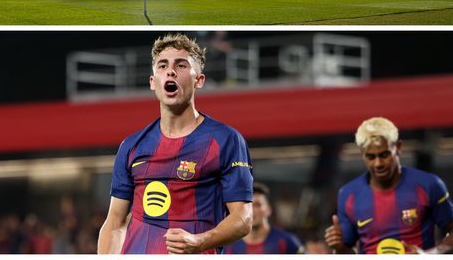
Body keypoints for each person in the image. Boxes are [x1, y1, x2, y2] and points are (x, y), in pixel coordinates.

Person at [97, 33, 254, 254]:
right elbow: (115, 223)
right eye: (162, 66)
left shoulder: (225, 140)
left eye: (180, 65)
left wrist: (199, 241)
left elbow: (243, 218)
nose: (170, 71)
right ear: (153, 82)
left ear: (199, 80)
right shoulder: (131, 146)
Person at [324, 117, 453, 254]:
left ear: (398, 147)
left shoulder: (429, 185)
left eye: (384, 155)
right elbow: (347, 253)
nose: (378, 164)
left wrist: (430, 254)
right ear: (362, 154)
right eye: (371, 157)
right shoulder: (348, 195)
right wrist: (339, 247)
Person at [224, 182, 305, 254]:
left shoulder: (286, 241)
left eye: (257, 205)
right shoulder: (229, 245)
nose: (251, 210)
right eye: (247, 205)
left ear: (268, 210)